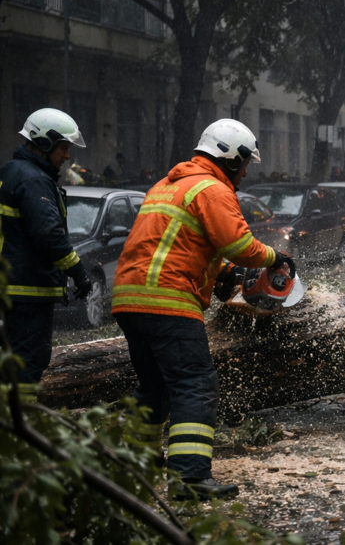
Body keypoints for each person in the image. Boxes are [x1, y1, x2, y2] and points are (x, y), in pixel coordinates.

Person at [112, 119, 295, 501]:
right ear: (230, 158)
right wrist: (276, 257)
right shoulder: (212, 188)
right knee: (195, 384)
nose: (245, 172)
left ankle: (134, 470)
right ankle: (190, 479)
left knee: (155, 386)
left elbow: (178, 245)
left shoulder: (167, 185)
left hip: (131, 298)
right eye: (245, 163)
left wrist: (225, 273)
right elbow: (240, 244)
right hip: (168, 300)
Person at [0, 109, 93, 404]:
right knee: (27, 363)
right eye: (64, 148)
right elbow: (49, 236)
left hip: (11, 289)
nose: (67, 156)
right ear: (43, 142)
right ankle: (20, 434)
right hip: (27, 292)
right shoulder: (34, 180)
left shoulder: (10, 172)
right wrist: (79, 272)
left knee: (11, 362)